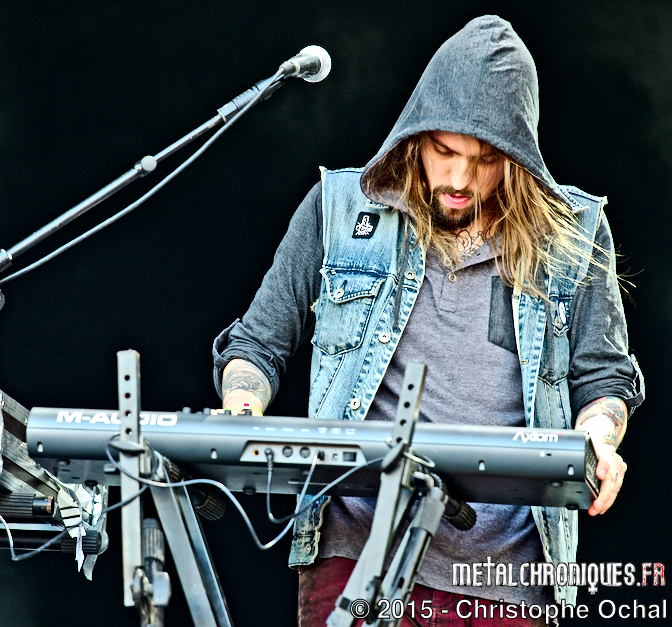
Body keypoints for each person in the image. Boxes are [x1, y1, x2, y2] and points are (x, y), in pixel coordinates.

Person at [211, 15, 644, 627]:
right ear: (415, 136)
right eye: (444, 152)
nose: (460, 179)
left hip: (505, 581)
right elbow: (257, 344)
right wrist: (240, 412)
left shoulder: (575, 234)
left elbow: (604, 379)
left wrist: (598, 437)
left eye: (486, 160)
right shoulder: (340, 209)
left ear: (519, 158)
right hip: (354, 553)